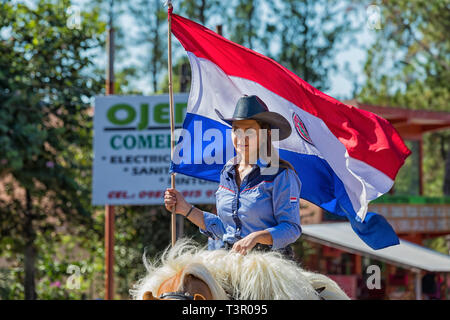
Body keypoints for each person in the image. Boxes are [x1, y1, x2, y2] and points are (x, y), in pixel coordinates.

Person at [164, 95, 302, 259]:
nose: (241, 136)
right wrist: (185, 208)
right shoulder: (227, 171)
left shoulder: (281, 174)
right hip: (231, 260)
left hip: (270, 265)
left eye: (249, 130)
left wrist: (255, 237)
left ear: (266, 134)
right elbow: (225, 230)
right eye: (236, 130)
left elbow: (291, 228)